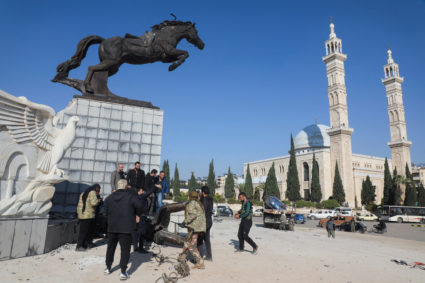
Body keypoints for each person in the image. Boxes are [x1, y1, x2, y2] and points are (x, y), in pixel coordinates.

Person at [104, 179, 154, 280]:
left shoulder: (109, 198)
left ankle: (108, 268)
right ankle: (123, 272)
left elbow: (105, 211)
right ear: (126, 187)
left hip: (112, 227)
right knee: (125, 250)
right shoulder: (130, 196)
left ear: (117, 186)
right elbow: (140, 205)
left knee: (110, 248)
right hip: (126, 227)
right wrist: (137, 214)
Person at [178, 191, 206, 269]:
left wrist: (185, 222)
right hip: (198, 227)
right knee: (187, 241)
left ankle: (200, 262)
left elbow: (193, 214)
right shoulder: (199, 203)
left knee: (191, 245)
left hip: (194, 227)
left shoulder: (192, 203)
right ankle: (182, 257)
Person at [76, 184, 101, 251]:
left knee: (84, 231)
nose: (98, 192)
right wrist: (99, 200)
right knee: (85, 232)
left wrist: (78, 214)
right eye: (98, 190)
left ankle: (84, 244)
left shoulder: (83, 193)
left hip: (82, 214)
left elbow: (79, 204)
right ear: (96, 189)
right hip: (88, 215)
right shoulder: (92, 192)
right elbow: (94, 203)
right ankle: (79, 246)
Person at [197, 186, 213, 261]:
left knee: (200, 239)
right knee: (207, 240)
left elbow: (202, 211)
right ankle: (209, 256)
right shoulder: (210, 199)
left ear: (203, 192)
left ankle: (200, 256)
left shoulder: (204, 200)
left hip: (204, 222)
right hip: (209, 221)